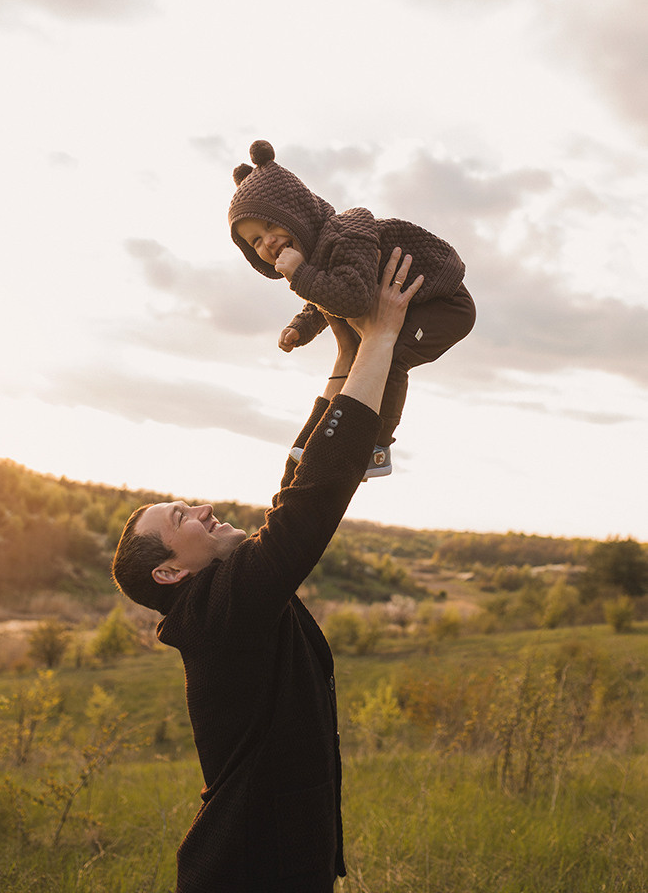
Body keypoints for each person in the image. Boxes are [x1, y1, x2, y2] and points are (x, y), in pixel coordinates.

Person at [112, 250, 423, 893]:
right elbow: (313, 500)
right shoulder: (221, 613)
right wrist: (383, 338)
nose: (203, 507)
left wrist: (344, 358)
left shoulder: (224, 600)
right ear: (169, 573)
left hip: (266, 860)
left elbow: (292, 486)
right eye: (182, 518)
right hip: (254, 868)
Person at [230, 140, 476, 479]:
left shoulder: (347, 233)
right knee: (369, 350)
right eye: (255, 241)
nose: (267, 242)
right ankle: (322, 442)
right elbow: (325, 296)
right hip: (417, 304)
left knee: (388, 353)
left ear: (298, 213)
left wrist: (301, 275)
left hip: (445, 304)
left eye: (271, 227)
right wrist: (302, 325)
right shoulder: (320, 254)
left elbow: (353, 298)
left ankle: (377, 447)